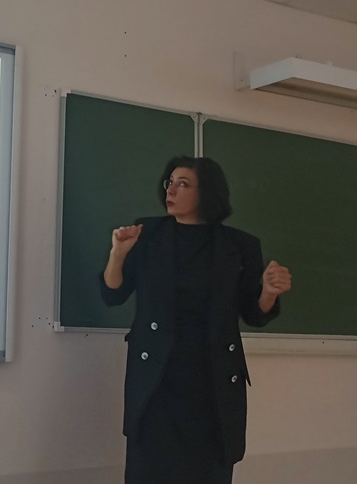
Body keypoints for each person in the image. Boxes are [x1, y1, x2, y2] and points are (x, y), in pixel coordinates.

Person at [101, 155, 292, 484]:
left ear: (207, 193)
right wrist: (118, 254)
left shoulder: (240, 246)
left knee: (207, 472)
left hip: (212, 383)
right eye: (170, 182)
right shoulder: (147, 234)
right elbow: (112, 294)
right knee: (150, 472)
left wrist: (269, 292)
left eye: (183, 184)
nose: (171, 190)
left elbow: (253, 313)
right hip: (157, 381)